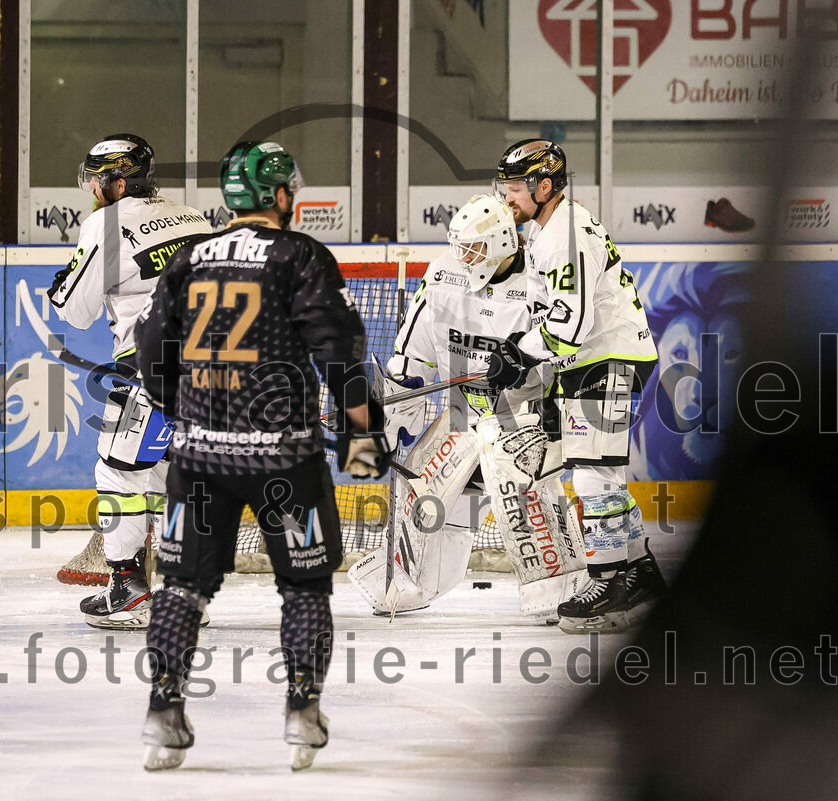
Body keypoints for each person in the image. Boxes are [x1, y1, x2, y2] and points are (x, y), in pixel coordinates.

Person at [135, 140, 388, 771]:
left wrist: (187, 412)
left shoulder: (189, 257)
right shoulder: (298, 255)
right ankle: (302, 714)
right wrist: (361, 431)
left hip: (198, 460)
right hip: (284, 461)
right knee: (304, 587)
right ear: (278, 195)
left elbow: (152, 352)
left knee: (181, 588)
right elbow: (337, 350)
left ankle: (163, 713)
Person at [348, 193, 587, 617]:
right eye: (460, 247)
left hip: (523, 423)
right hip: (463, 416)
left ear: (503, 243)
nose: (464, 257)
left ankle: (559, 589)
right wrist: (391, 412)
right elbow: (413, 356)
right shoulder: (444, 275)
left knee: (515, 482)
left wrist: (558, 408)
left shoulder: (539, 280)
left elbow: (568, 348)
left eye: (474, 248)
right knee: (420, 482)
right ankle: (410, 582)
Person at [488, 139, 666, 634]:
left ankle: (609, 582)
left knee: (593, 478)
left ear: (545, 186)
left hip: (608, 358)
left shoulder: (564, 234)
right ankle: (639, 572)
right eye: (504, 186)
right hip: (594, 360)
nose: (506, 197)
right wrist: (540, 374)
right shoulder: (548, 229)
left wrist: (519, 353)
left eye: (515, 187)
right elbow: (556, 321)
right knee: (601, 474)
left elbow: (570, 323)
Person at [47, 133, 213, 629]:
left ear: (119, 183)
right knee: (170, 475)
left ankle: (128, 591)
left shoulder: (106, 223)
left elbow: (74, 311)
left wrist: (61, 287)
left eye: (98, 180)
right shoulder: (194, 217)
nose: (92, 189)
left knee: (118, 473)